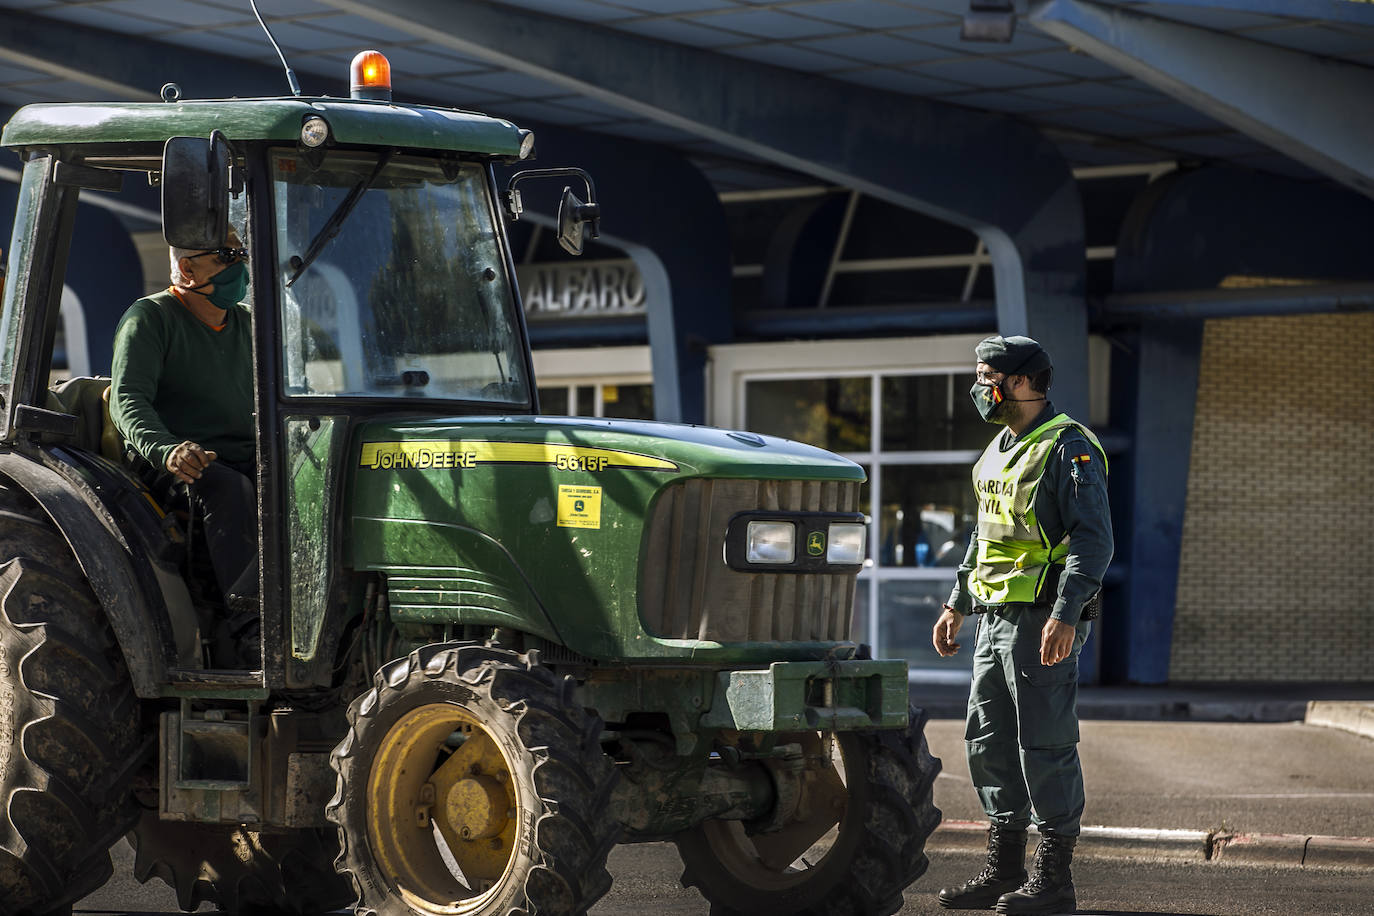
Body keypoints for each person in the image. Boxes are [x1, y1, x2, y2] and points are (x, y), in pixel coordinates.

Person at [931, 335, 1113, 915]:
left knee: (1046, 744)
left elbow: (1093, 542)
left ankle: (1054, 880)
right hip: (992, 620)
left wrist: (1065, 614)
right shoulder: (995, 452)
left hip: (1041, 620)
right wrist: (955, 601)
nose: (979, 387)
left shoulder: (1068, 447)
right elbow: (981, 537)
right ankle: (1002, 870)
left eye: (988, 376)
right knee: (988, 742)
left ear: (1021, 382)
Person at [110, 228, 259, 662]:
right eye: (228, 256)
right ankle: (254, 633)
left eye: (243, 253)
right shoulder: (150, 318)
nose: (241, 267)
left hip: (245, 458)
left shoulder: (250, 325)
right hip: (175, 468)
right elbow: (128, 401)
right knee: (229, 489)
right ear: (188, 268)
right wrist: (169, 450)